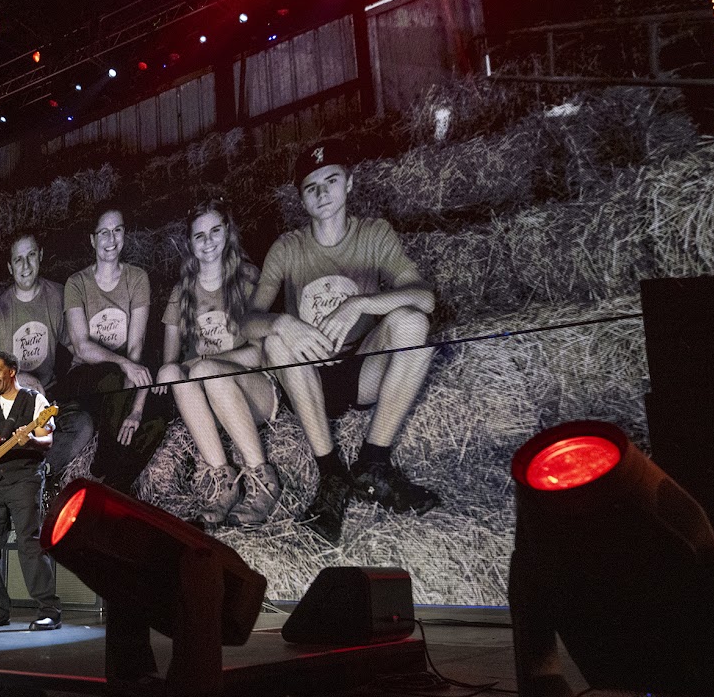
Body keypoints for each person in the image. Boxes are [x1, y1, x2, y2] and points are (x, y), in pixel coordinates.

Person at [243, 140, 439, 543]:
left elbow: (424, 296)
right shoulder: (288, 247)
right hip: (309, 377)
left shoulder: (374, 234)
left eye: (331, 180)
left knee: (412, 322)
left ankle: (372, 462)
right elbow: (246, 321)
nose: (322, 193)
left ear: (349, 184)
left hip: (363, 369)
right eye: (310, 186)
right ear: (301, 198)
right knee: (275, 341)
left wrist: (361, 303)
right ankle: (330, 474)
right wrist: (283, 321)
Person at [155, 202, 282, 528]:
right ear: (189, 243)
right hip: (209, 398)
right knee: (173, 373)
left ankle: (262, 479)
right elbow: (171, 363)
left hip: (255, 392)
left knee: (203, 370)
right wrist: (173, 370)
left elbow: (260, 354)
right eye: (199, 235)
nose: (208, 241)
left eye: (215, 231)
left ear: (228, 232)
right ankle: (224, 482)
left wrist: (208, 362)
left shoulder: (247, 279)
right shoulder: (181, 292)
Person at [58, 207, 167, 491]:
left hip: (122, 380)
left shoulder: (137, 278)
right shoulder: (77, 283)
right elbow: (81, 346)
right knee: (112, 377)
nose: (111, 238)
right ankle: (102, 463)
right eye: (103, 232)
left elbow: (136, 346)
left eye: (117, 230)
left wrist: (137, 409)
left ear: (125, 235)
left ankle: (117, 486)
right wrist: (123, 364)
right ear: (92, 240)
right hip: (84, 380)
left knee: (154, 424)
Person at [0, 232, 93, 485]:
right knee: (5, 444)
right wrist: (21, 380)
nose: (26, 266)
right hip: (11, 408)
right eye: (18, 260)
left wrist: (80, 367)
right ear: (9, 267)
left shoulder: (58, 295)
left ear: (40, 255)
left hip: (47, 400)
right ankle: (18, 468)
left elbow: (74, 343)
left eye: (30, 256)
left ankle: (40, 474)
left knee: (82, 425)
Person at [0, 351, 61, 630]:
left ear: (12, 371)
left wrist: (30, 439)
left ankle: (49, 610)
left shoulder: (35, 401)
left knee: (28, 541)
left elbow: (47, 440)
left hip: (24, 479)